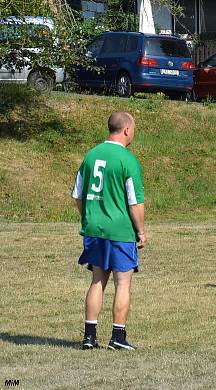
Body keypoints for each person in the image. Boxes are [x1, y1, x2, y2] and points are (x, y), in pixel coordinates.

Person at [72, 111, 146, 351]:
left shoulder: (91, 155)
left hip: (94, 229)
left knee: (96, 281)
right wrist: (141, 231)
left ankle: (89, 336)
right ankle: (117, 336)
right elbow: (135, 202)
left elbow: (78, 195)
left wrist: (89, 217)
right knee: (122, 283)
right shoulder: (127, 160)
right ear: (126, 130)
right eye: (133, 128)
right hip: (120, 231)